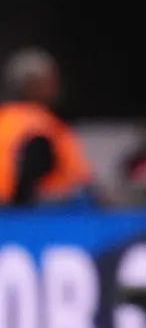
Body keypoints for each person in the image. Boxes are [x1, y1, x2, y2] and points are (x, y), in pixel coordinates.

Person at [0, 48, 93, 208]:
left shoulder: (5, 118)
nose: (56, 87)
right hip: (42, 218)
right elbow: (28, 180)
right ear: (31, 84)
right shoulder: (41, 125)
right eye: (50, 81)